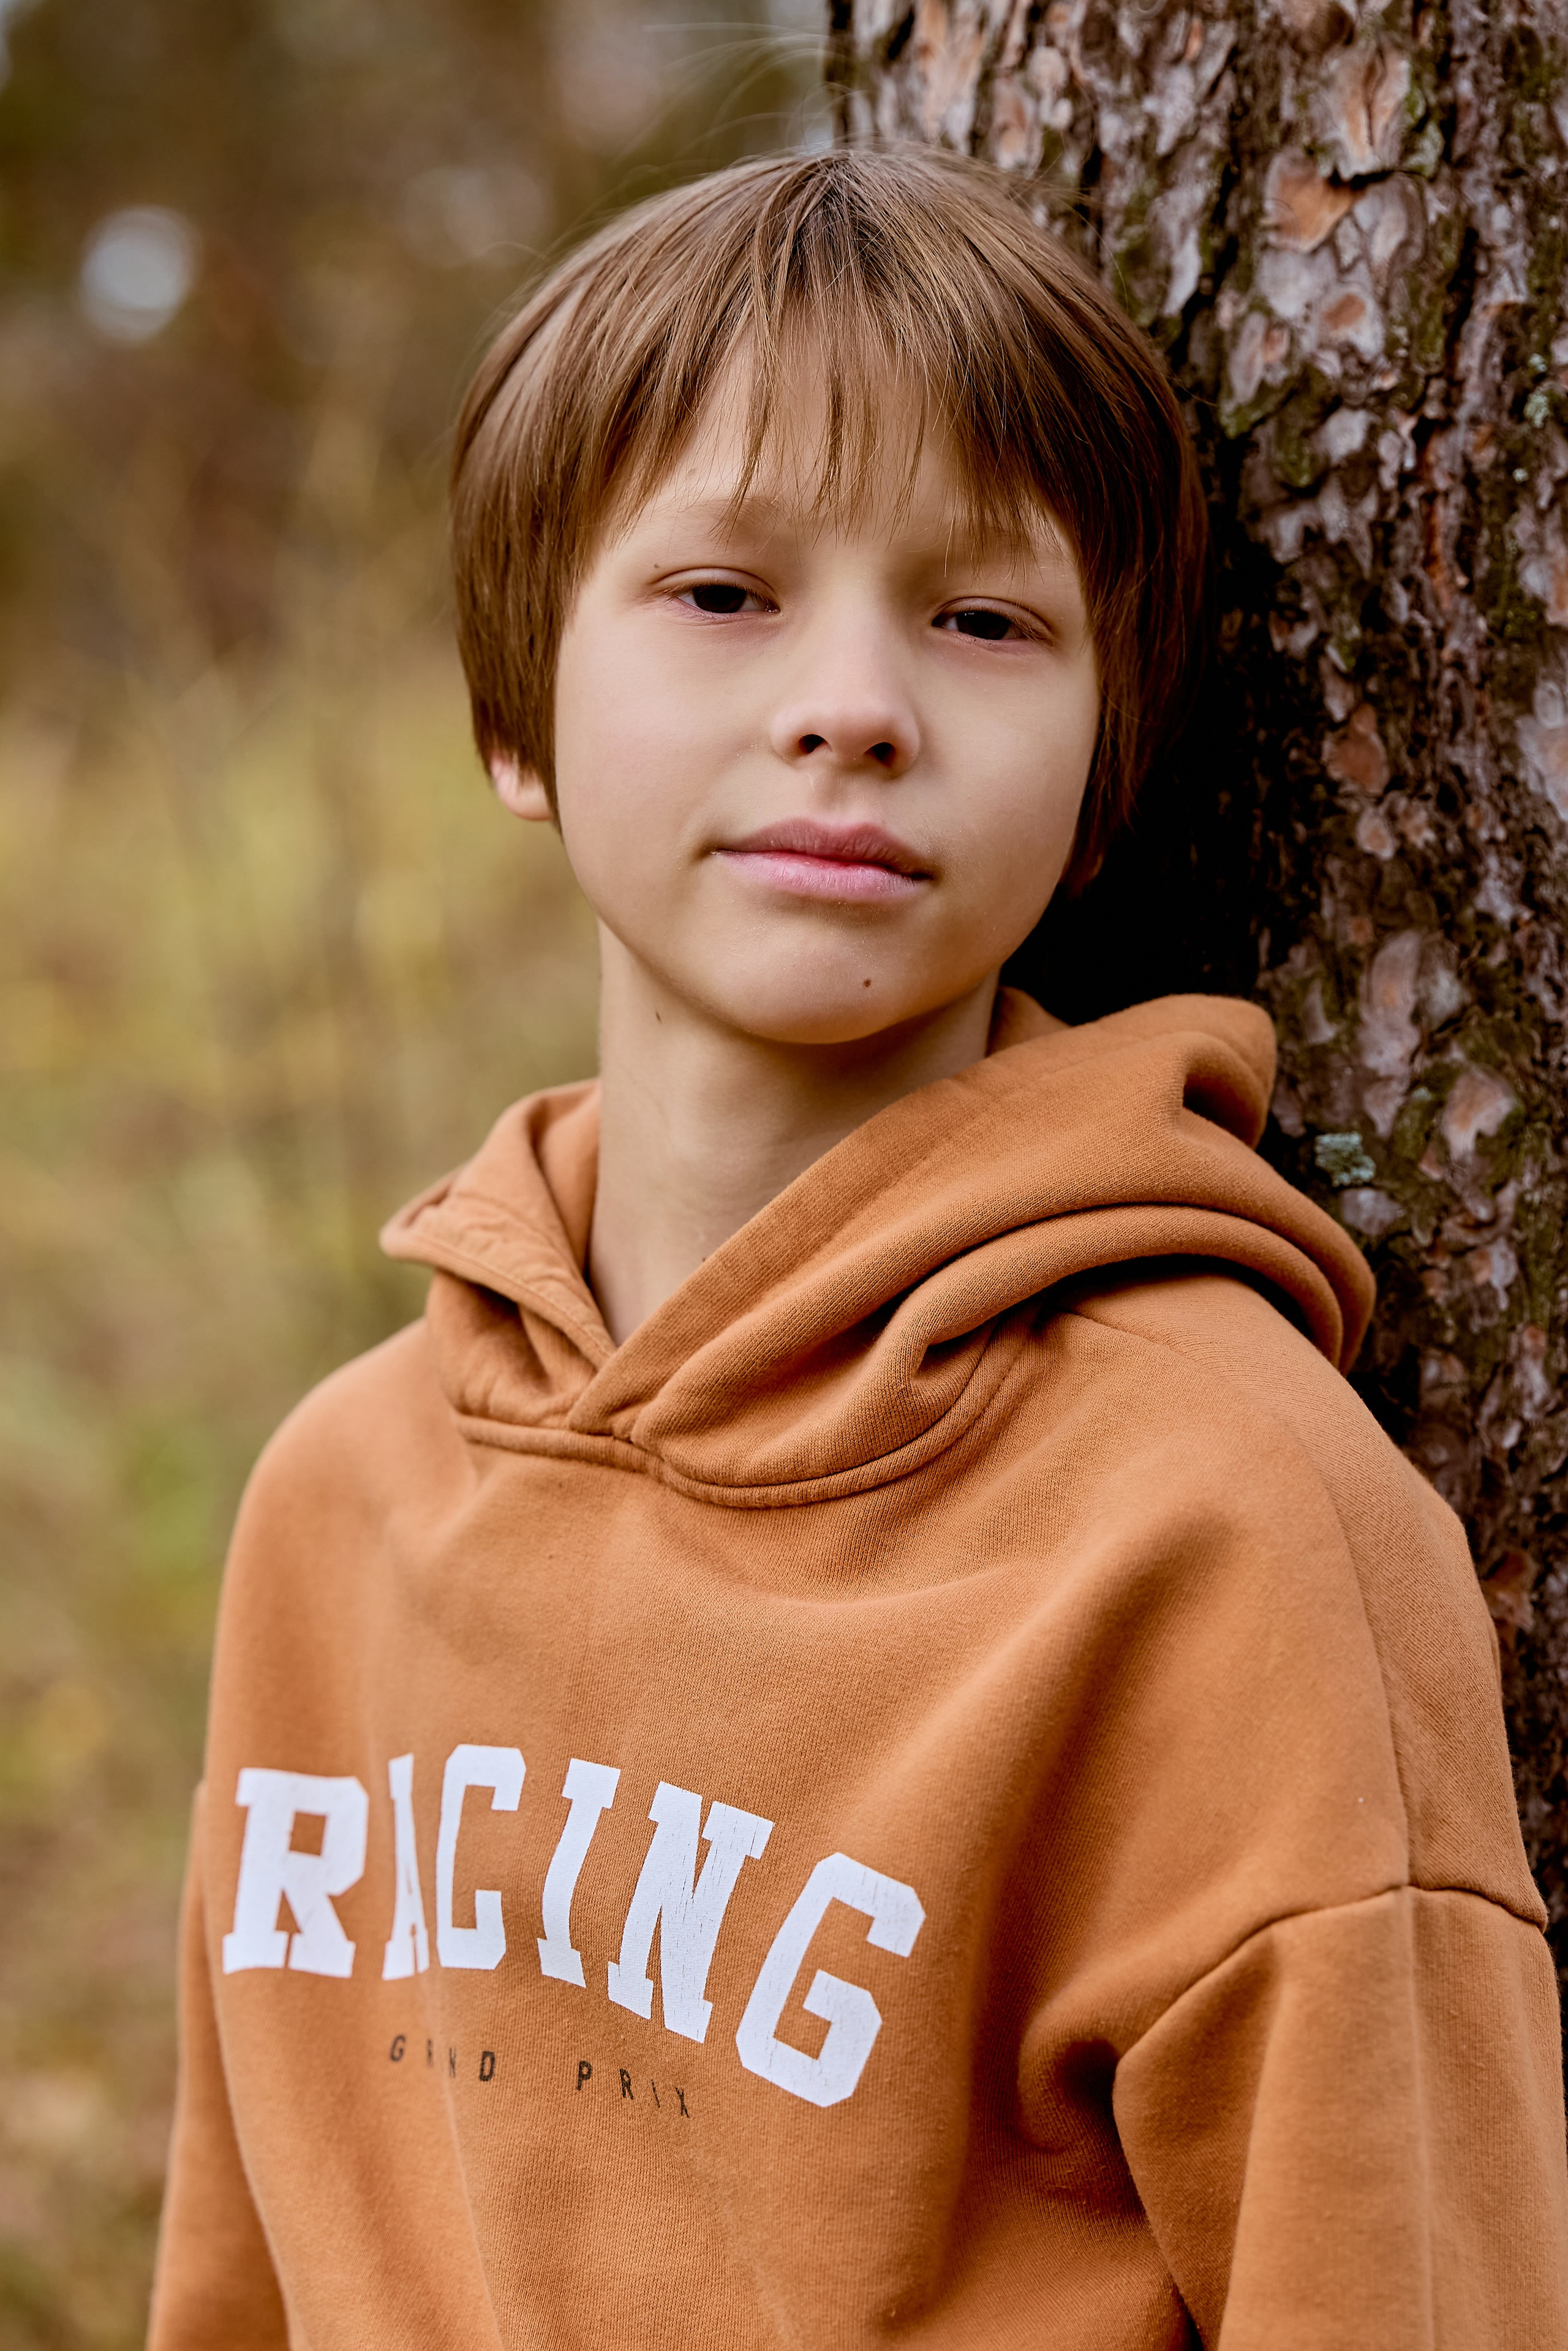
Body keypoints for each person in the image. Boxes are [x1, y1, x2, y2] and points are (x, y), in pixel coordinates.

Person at [148, 146, 1568, 2349]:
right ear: (516, 711)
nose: (855, 704)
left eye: (982, 619)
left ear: (1103, 770)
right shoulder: (344, 1499)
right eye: (724, 594)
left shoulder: (1230, 1526)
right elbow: (242, 2276)